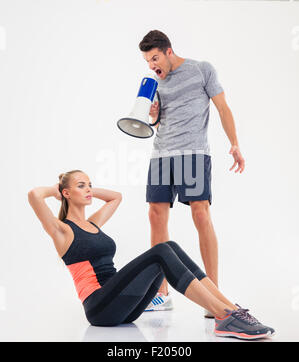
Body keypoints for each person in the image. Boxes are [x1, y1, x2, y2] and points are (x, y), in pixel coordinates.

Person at [27, 170, 274, 340]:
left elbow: (116, 198)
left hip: (124, 307)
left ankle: (230, 309)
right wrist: (57, 188)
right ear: (66, 193)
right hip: (100, 308)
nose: (89, 190)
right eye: (82, 186)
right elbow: (34, 195)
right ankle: (224, 316)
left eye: (90, 184)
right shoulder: (61, 231)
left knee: (171, 246)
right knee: (161, 252)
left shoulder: (93, 224)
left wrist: (84, 187)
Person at [139, 30, 245, 315]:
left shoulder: (202, 70)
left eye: (155, 58)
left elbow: (223, 108)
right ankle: (160, 294)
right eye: (148, 61)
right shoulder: (156, 82)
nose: (152, 65)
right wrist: (153, 115)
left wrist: (234, 143)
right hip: (162, 154)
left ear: (168, 51)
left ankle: (215, 294)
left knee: (200, 213)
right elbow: (159, 124)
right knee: (155, 215)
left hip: (194, 152)